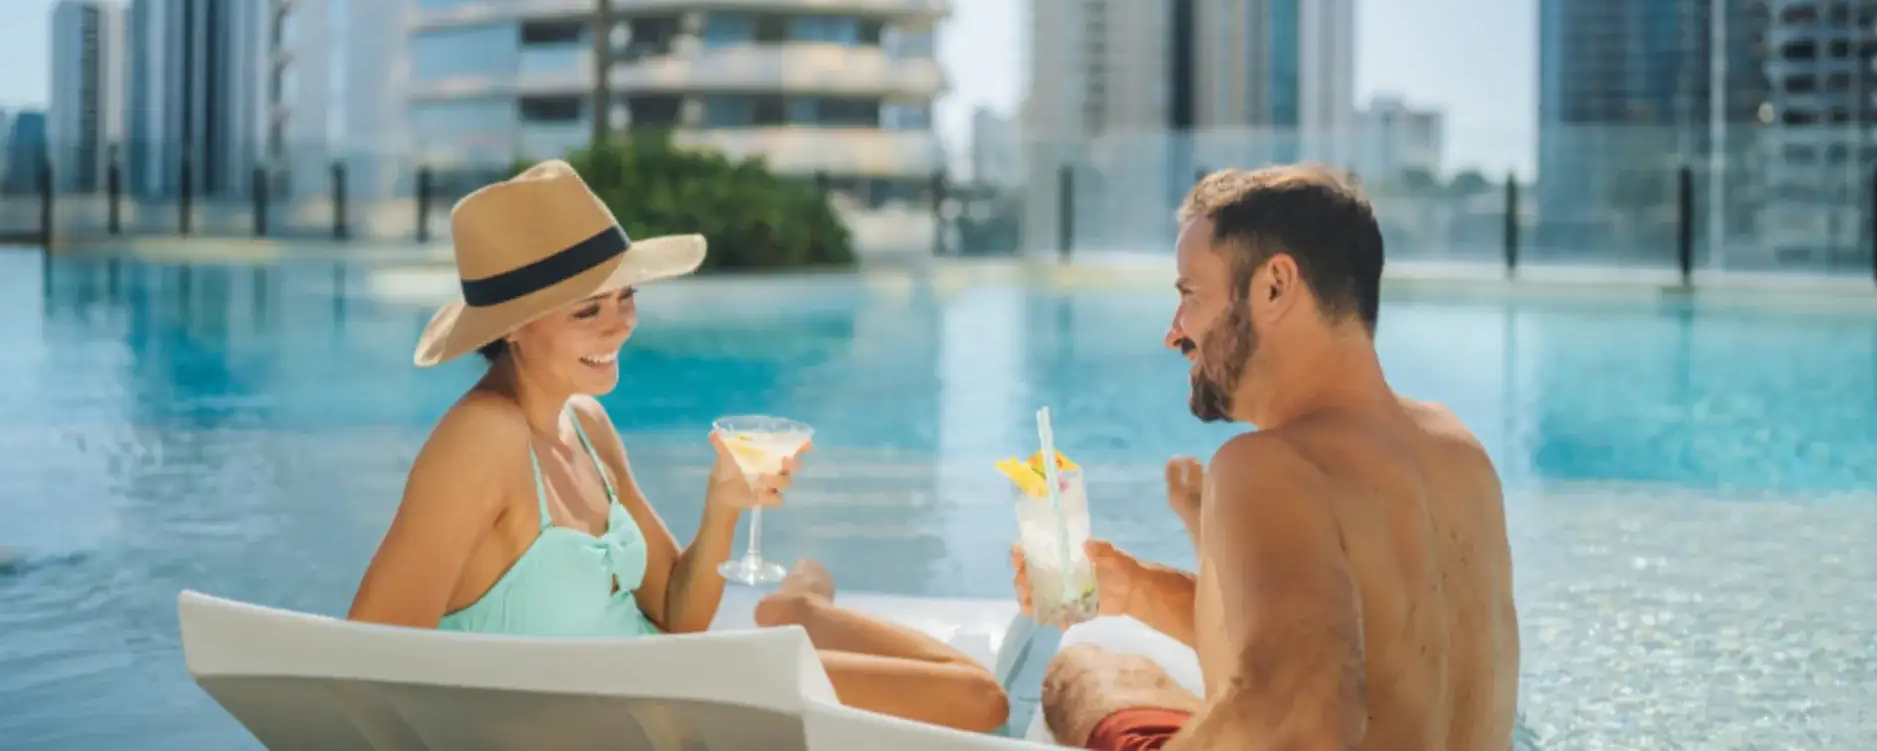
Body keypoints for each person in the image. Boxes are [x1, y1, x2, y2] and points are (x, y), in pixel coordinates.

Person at [348, 160, 1008, 733]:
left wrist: (722, 505)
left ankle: (800, 611)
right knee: (978, 699)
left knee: (979, 690)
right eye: (587, 310)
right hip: (643, 713)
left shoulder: (585, 421)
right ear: (513, 326)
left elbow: (675, 614)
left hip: (678, 694)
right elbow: (358, 660)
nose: (620, 324)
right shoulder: (480, 439)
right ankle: (802, 612)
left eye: (626, 296)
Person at [1015, 165, 1519, 751]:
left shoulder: (1269, 468)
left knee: (1078, 674)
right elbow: (1356, 650)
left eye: (1189, 295)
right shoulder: (1459, 451)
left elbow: (1300, 714)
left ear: (1275, 286)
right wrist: (1138, 591)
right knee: (1112, 671)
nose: (1175, 333)